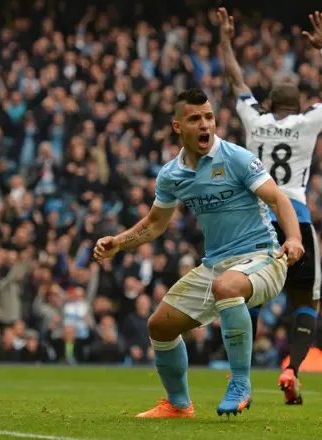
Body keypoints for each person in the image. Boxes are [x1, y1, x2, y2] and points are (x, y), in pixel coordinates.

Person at [93, 88, 304, 418]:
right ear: (179, 127)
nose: (206, 124)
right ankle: (179, 404)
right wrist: (119, 242)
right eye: (195, 118)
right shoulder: (171, 175)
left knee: (227, 287)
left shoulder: (236, 158)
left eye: (209, 117)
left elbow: (280, 199)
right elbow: (155, 222)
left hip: (263, 257)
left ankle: (240, 383)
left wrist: (293, 238)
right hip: (217, 266)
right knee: (160, 326)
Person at [219, 7, 322, 404]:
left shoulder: (254, 119)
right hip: (295, 214)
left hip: (256, 219)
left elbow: (235, 79)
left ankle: (239, 376)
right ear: (298, 106)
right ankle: (292, 371)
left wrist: (226, 39)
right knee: (306, 300)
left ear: (267, 102)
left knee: (250, 296)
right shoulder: (309, 121)